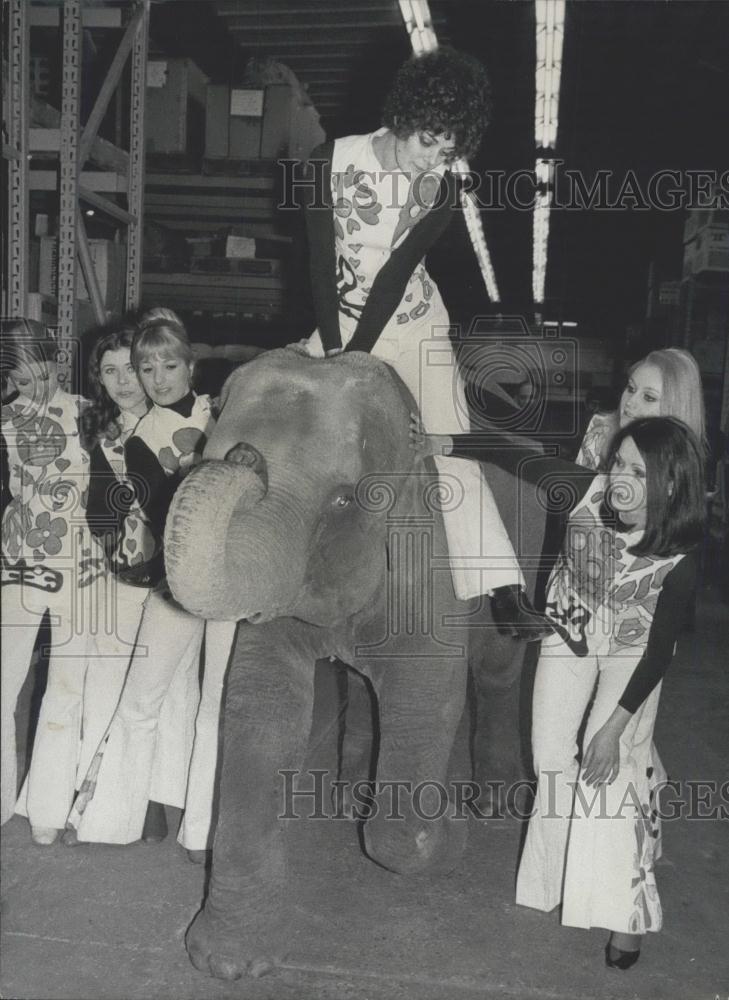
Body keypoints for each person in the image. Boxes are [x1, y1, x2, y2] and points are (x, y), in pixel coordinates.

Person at [416, 416, 705, 969]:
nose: (619, 479)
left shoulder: (682, 556)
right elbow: (508, 452)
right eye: (617, 462)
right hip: (567, 637)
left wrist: (614, 727)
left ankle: (626, 914)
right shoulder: (583, 489)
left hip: (630, 654)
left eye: (637, 473)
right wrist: (444, 442)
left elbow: (659, 650)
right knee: (551, 761)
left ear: (669, 485)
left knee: (609, 768)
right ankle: (551, 884)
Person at [301, 47, 550, 641]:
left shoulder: (441, 191)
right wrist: (336, 354)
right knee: (286, 410)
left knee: (447, 438)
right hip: (336, 316)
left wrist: (356, 356)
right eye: (428, 144)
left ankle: (502, 587)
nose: (433, 162)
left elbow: (392, 278)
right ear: (404, 118)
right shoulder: (327, 161)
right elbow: (317, 260)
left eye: (449, 152)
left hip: (413, 320)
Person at [67, 311, 236, 860]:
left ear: (190, 365)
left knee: (216, 704)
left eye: (169, 364)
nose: (158, 377)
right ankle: (115, 815)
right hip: (175, 580)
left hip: (232, 576)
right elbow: (162, 510)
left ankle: (202, 829)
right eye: (147, 367)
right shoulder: (139, 435)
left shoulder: (227, 416)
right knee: (143, 699)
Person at [59, 323, 196, 845]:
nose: (124, 381)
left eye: (131, 369)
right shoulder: (96, 425)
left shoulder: (183, 419)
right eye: (110, 371)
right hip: (117, 569)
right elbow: (94, 505)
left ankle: (161, 797)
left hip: (175, 574)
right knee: (111, 681)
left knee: (172, 688)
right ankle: (107, 800)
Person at [0, 319, 105, 844]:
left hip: (80, 565)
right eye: (17, 378)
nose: (30, 386)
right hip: (18, 560)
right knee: (2, 682)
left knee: (65, 687)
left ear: (54, 363)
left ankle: (46, 809)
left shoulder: (90, 415)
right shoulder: (3, 421)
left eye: (37, 371)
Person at [576, 348, 706, 472]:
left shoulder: (681, 462)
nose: (630, 402)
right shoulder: (600, 429)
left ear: (676, 408)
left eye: (649, 397)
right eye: (631, 389)